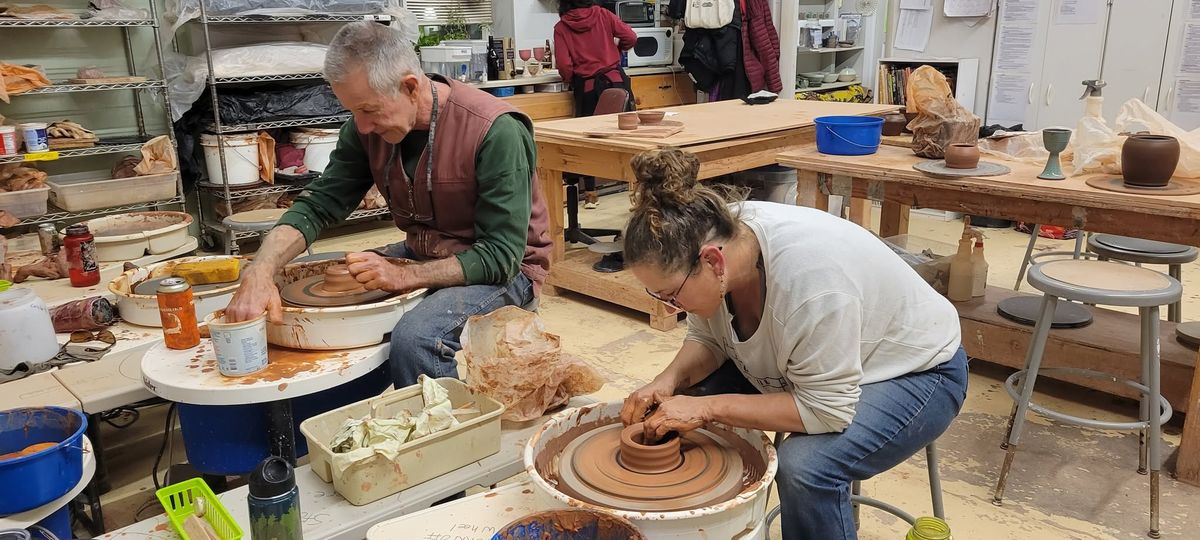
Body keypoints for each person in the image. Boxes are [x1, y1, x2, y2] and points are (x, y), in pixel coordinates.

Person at [616, 148, 968, 540]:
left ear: (713, 262)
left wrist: (707, 407)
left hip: (918, 370)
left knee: (804, 468)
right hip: (825, 359)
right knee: (674, 407)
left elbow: (827, 410)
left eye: (671, 295)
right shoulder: (718, 236)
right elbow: (708, 338)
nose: (670, 307)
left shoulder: (810, 285)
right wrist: (666, 381)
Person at [224, 21, 552, 390]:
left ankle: (443, 436)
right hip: (424, 251)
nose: (362, 127)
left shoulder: (495, 129)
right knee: (316, 276)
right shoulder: (366, 129)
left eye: (369, 110)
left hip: (506, 268)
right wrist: (259, 271)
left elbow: (500, 256)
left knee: (417, 338)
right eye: (353, 112)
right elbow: (318, 205)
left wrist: (403, 276)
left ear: (410, 87)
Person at [553, 0, 636, 209]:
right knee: (629, 135)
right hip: (616, 82)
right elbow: (631, 37)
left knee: (587, 140)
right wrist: (618, 50)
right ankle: (636, 191)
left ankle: (590, 193)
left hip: (588, 88)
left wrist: (570, 78)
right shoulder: (602, 14)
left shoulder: (562, 27)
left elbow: (564, 64)